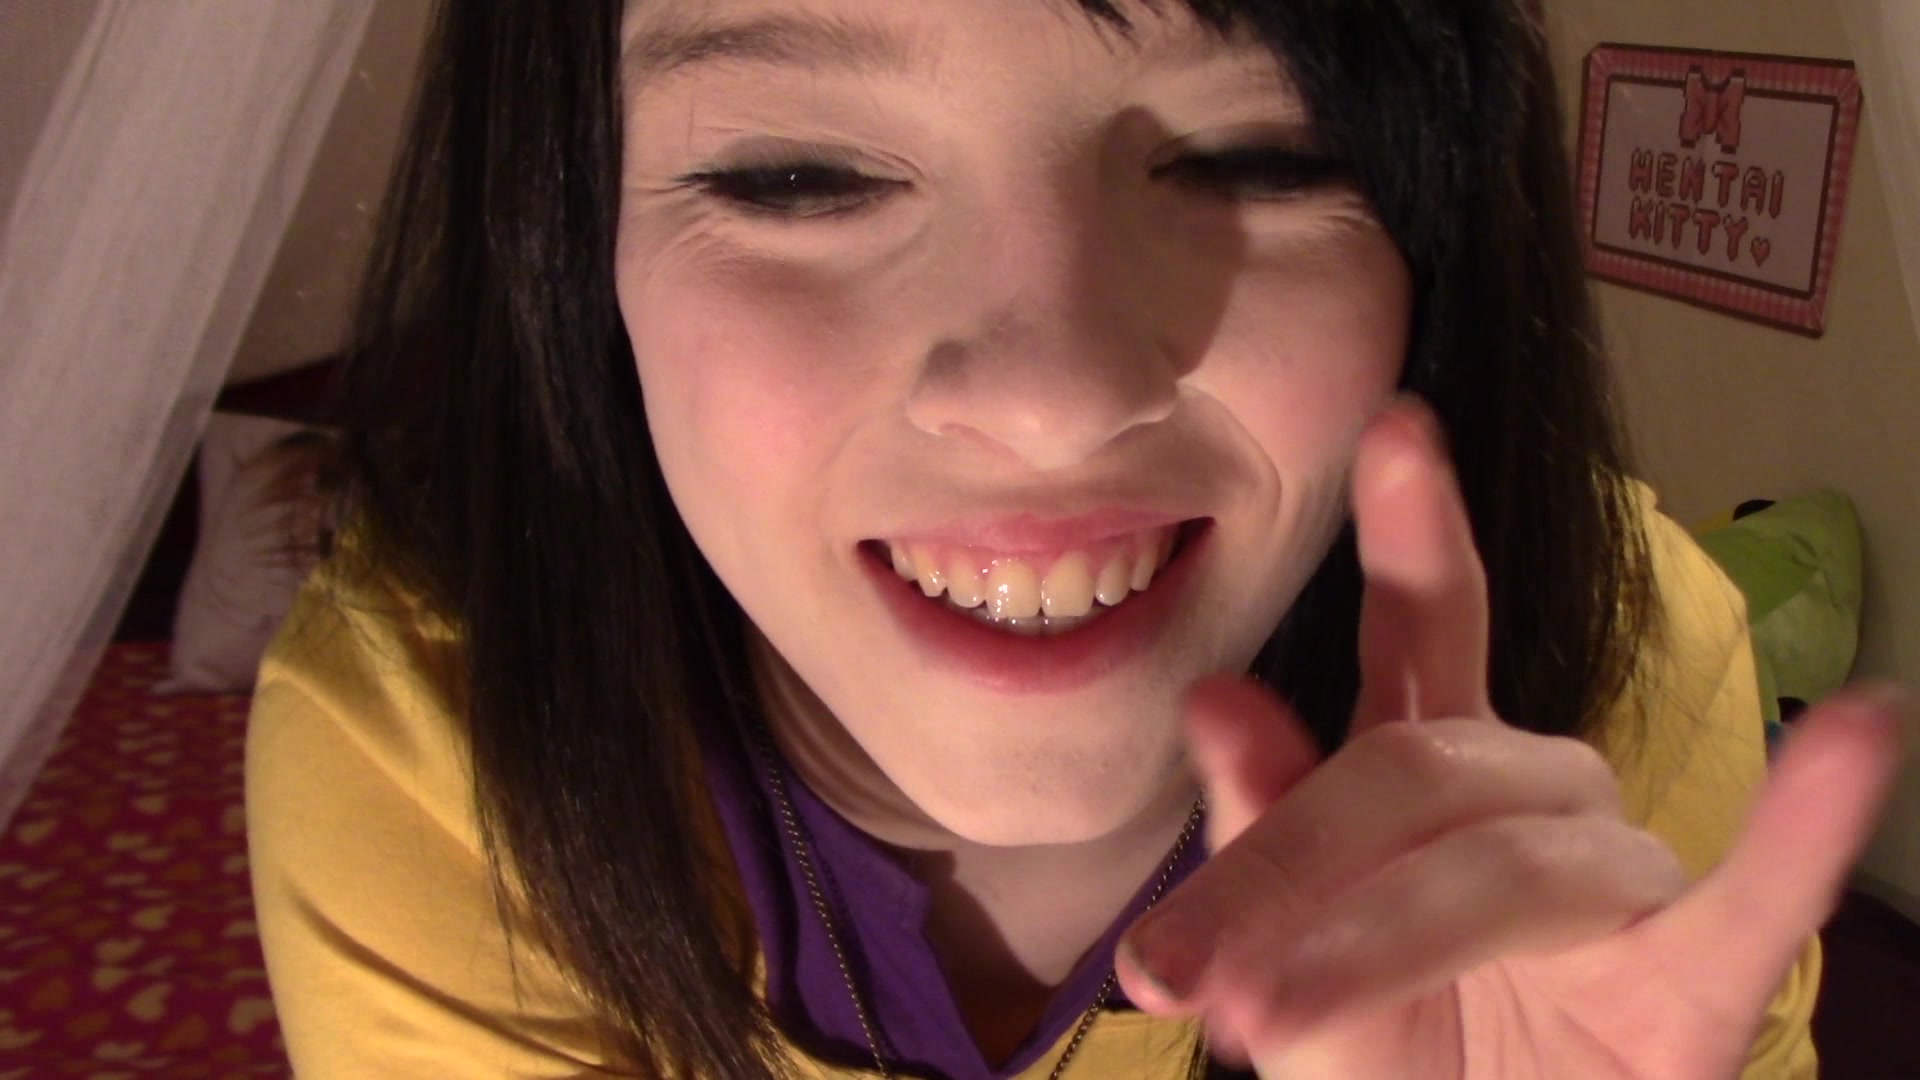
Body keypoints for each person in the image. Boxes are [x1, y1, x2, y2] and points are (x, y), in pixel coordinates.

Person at [245, 1, 1906, 1077]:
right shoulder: (435, 735)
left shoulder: (1619, 672)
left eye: (1257, 156)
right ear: (570, 242)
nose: (1052, 398)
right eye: (797, 176)